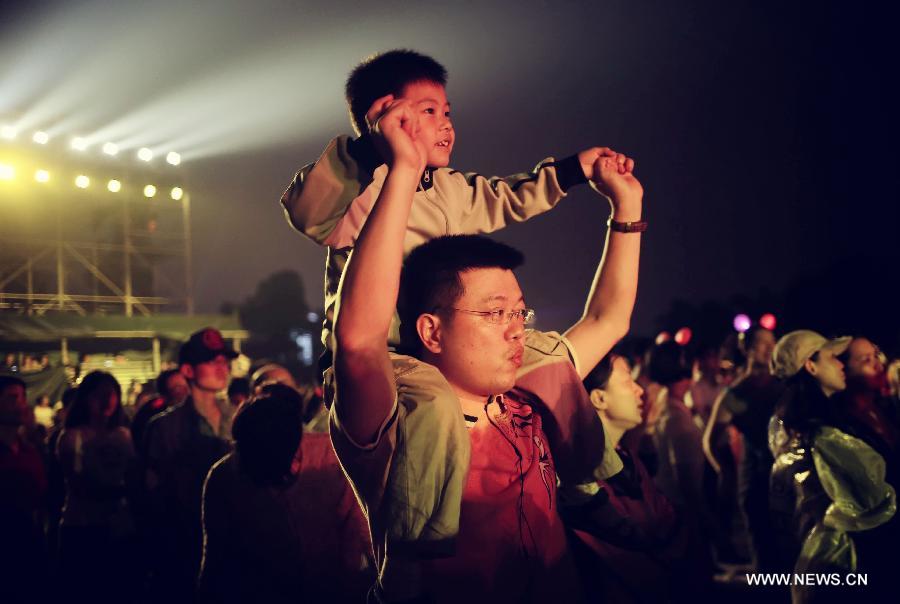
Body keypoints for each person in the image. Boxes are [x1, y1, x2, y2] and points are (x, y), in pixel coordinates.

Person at [330, 93, 643, 602]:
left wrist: (627, 206)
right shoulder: (396, 421)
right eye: (495, 313)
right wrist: (406, 168)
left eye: (519, 312)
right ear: (431, 332)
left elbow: (609, 319)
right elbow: (358, 341)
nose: (516, 330)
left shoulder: (531, 396)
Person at [280, 49, 631, 365]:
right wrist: (370, 149)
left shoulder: (448, 188)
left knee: (545, 359)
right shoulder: (358, 185)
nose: (446, 123)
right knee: (433, 403)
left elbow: (505, 197)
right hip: (381, 362)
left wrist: (574, 170)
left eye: (447, 112)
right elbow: (308, 212)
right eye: (429, 111)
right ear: (387, 112)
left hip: (441, 351)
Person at [199, 384, 373, 603]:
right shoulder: (224, 478)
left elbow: (368, 533)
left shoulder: (332, 459)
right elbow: (216, 560)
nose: (281, 479)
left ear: (296, 443)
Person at [769, 330, 896, 603]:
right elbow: (876, 501)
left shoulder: (788, 427)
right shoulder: (826, 437)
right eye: (833, 357)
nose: (840, 365)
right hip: (842, 570)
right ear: (811, 366)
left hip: (815, 567)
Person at [565, 354, 682, 602]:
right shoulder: (581, 476)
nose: (640, 390)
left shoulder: (627, 458)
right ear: (599, 398)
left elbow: (663, 514)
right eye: (628, 381)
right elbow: (624, 554)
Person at [144, 328, 237, 600]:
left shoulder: (238, 420)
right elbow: (153, 493)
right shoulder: (164, 427)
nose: (222, 368)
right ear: (188, 370)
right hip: (182, 541)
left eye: (224, 361)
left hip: (234, 539)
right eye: (212, 361)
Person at [704, 325, 783, 571]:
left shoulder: (784, 384)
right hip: (757, 480)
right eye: (762, 343)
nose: (770, 348)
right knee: (766, 558)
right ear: (746, 349)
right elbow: (710, 440)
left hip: (788, 480)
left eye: (773, 341)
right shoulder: (736, 393)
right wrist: (725, 472)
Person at [56, 371, 136, 604]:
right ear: (86, 399)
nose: (106, 400)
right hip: (83, 525)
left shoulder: (123, 436)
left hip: (118, 526)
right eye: (99, 395)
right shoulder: (72, 437)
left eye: (111, 394)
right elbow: (78, 483)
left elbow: (132, 474)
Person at [0, 376, 48, 603]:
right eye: (12, 398)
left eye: (22, 398)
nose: (21, 405)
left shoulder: (28, 449)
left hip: (29, 543)